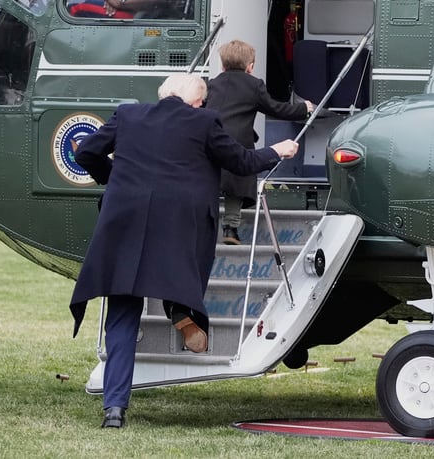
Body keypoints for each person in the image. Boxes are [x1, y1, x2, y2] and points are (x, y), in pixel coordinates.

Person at [69, 73, 299, 429]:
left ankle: (114, 408)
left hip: (125, 219)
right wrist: (276, 151)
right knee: (179, 275)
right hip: (179, 224)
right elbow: (239, 161)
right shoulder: (204, 121)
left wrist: (114, 176)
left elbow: (85, 151)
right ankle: (180, 308)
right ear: (196, 101)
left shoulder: (128, 115)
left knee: (122, 312)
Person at [205, 40, 314, 245]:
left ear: (222, 65)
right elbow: (277, 109)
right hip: (237, 142)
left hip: (211, 138)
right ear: (250, 66)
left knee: (211, 180)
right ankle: (230, 228)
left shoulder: (212, 84)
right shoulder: (254, 85)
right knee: (236, 183)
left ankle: (206, 227)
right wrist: (303, 108)